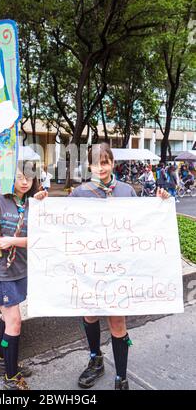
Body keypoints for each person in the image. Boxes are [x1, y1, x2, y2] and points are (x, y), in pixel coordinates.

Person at [69, 143, 169, 391]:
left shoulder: (126, 191)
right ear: (88, 165)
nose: (100, 167)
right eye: (95, 163)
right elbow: (63, 226)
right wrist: (41, 204)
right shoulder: (79, 193)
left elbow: (142, 226)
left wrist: (160, 205)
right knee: (90, 315)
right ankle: (95, 359)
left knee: (117, 322)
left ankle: (121, 377)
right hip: (89, 268)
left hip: (119, 270)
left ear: (112, 163)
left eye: (105, 162)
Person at [0, 162, 47, 391]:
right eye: (19, 177)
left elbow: (41, 238)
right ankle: (11, 376)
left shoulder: (33, 204)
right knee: (14, 321)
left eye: (29, 178)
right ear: (10, 178)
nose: (25, 182)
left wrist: (12, 241)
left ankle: (3, 359)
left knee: (7, 319)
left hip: (20, 271)